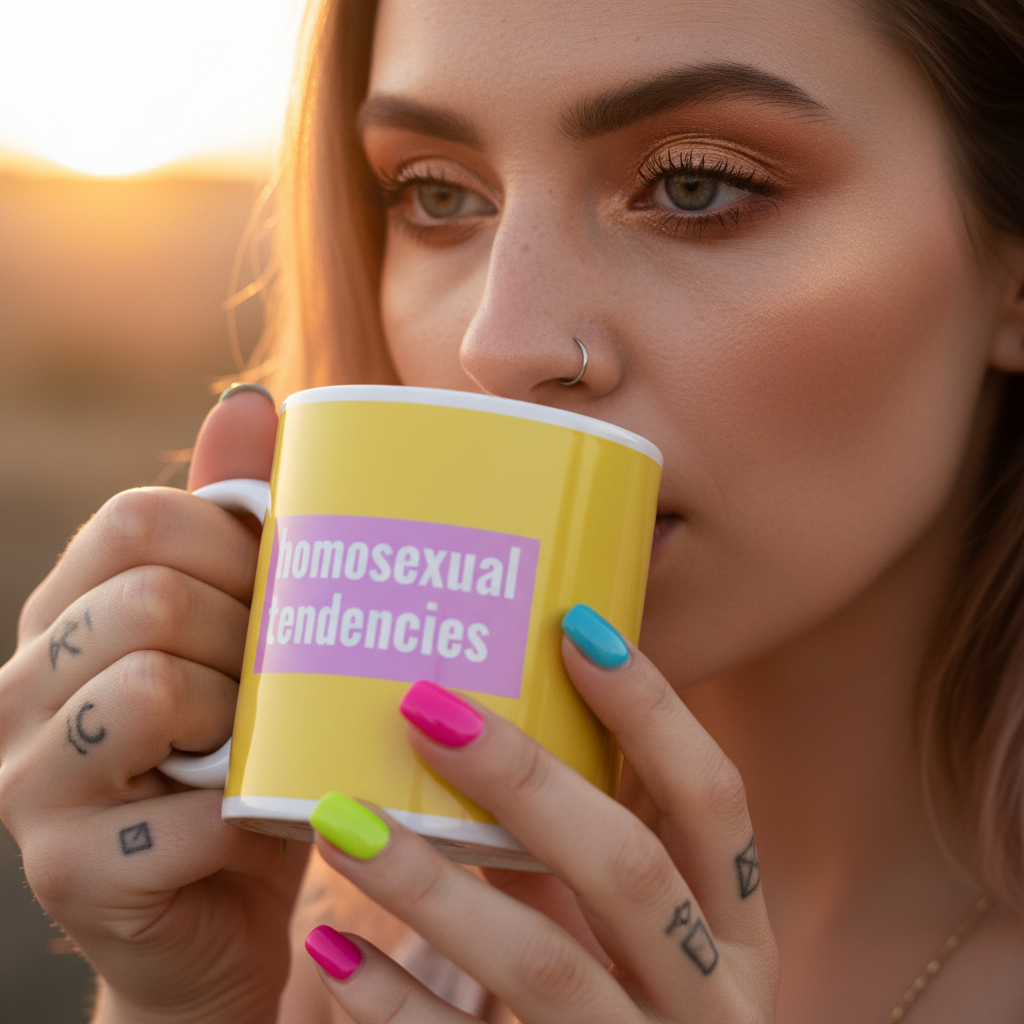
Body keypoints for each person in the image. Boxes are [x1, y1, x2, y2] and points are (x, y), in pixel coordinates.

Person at [2, 0, 1023, 1020]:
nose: (498, 344)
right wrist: (182, 1006)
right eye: (437, 195)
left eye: (694, 183)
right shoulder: (356, 934)